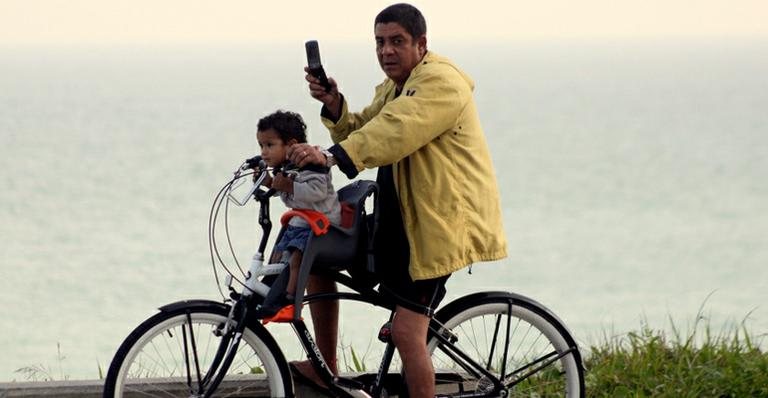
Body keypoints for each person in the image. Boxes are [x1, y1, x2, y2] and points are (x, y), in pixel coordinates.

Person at [290, 3, 507, 397]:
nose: (386, 51)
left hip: (438, 228)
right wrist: (335, 105)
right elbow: (365, 127)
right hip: (401, 218)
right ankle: (326, 366)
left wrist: (333, 156)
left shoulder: (441, 83)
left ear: (421, 43)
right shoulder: (397, 85)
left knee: (408, 331)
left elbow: (396, 129)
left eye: (396, 42)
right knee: (319, 254)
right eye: (379, 42)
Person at [254, 110, 341, 316]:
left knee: (296, 259)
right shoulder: (287, 166)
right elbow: (282, 188)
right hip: (304, 221)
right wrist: (268, 182)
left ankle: (291, 297)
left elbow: (316, 192)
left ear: (291, 145)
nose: (264, 152)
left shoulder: (312, 164)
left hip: (322, 223)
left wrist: (289, 186)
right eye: (261, 146)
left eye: (269, 145)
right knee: (279, 252)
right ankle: (270, 290)